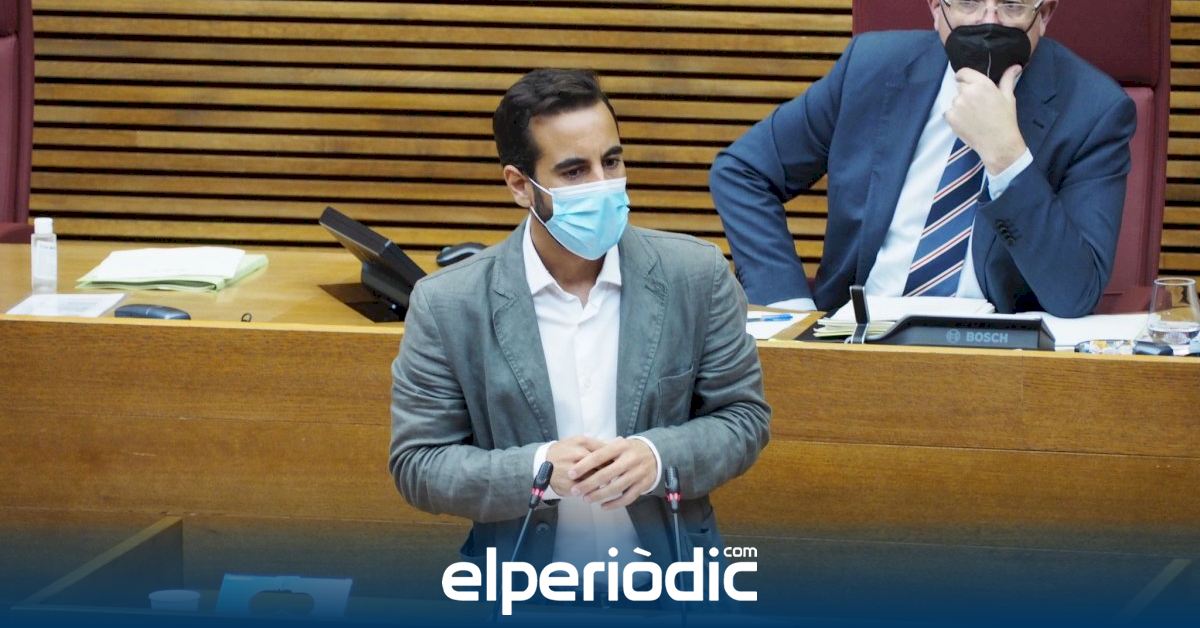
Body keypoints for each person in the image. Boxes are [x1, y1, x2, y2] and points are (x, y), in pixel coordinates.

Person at [388, 69, 770, 579]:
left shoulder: (696, 275)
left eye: (611, 161)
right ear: (520, 186)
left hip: (673, 585)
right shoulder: (447, 304)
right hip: (524, 591)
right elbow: (419, 465)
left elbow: (743, 419)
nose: (602, 185)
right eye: (573, 171)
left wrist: (657, 457)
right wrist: (540, 472)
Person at [710, 0, 1135, 318]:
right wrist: (790, 311)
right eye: (968, 2)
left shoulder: (1095, 111)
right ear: (935, 7)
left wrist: (1006, 157)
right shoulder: (871, 68)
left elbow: (1075, 293)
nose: (988, 21)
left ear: (1044, 14)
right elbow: (743, 172)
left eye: (1011, 5)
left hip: (998, 361)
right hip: (856, 343)